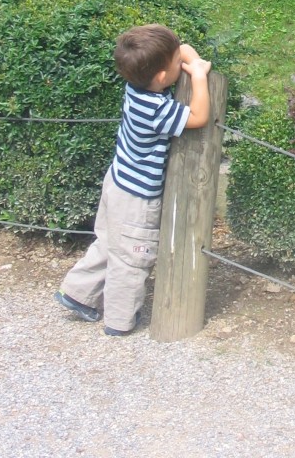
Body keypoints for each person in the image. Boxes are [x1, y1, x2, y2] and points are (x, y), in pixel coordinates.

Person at [55, 24, 212, 336]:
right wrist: (198, 76)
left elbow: (181, 49)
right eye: (175, 62)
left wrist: (188, 58)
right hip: (138, 199)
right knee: (131, 259)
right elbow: (199, 117)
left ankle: (76, 292)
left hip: (117, 182)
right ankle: (120, 320)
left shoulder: (136, 87)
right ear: (163, 78)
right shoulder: (155, 108)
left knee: (109, 242)